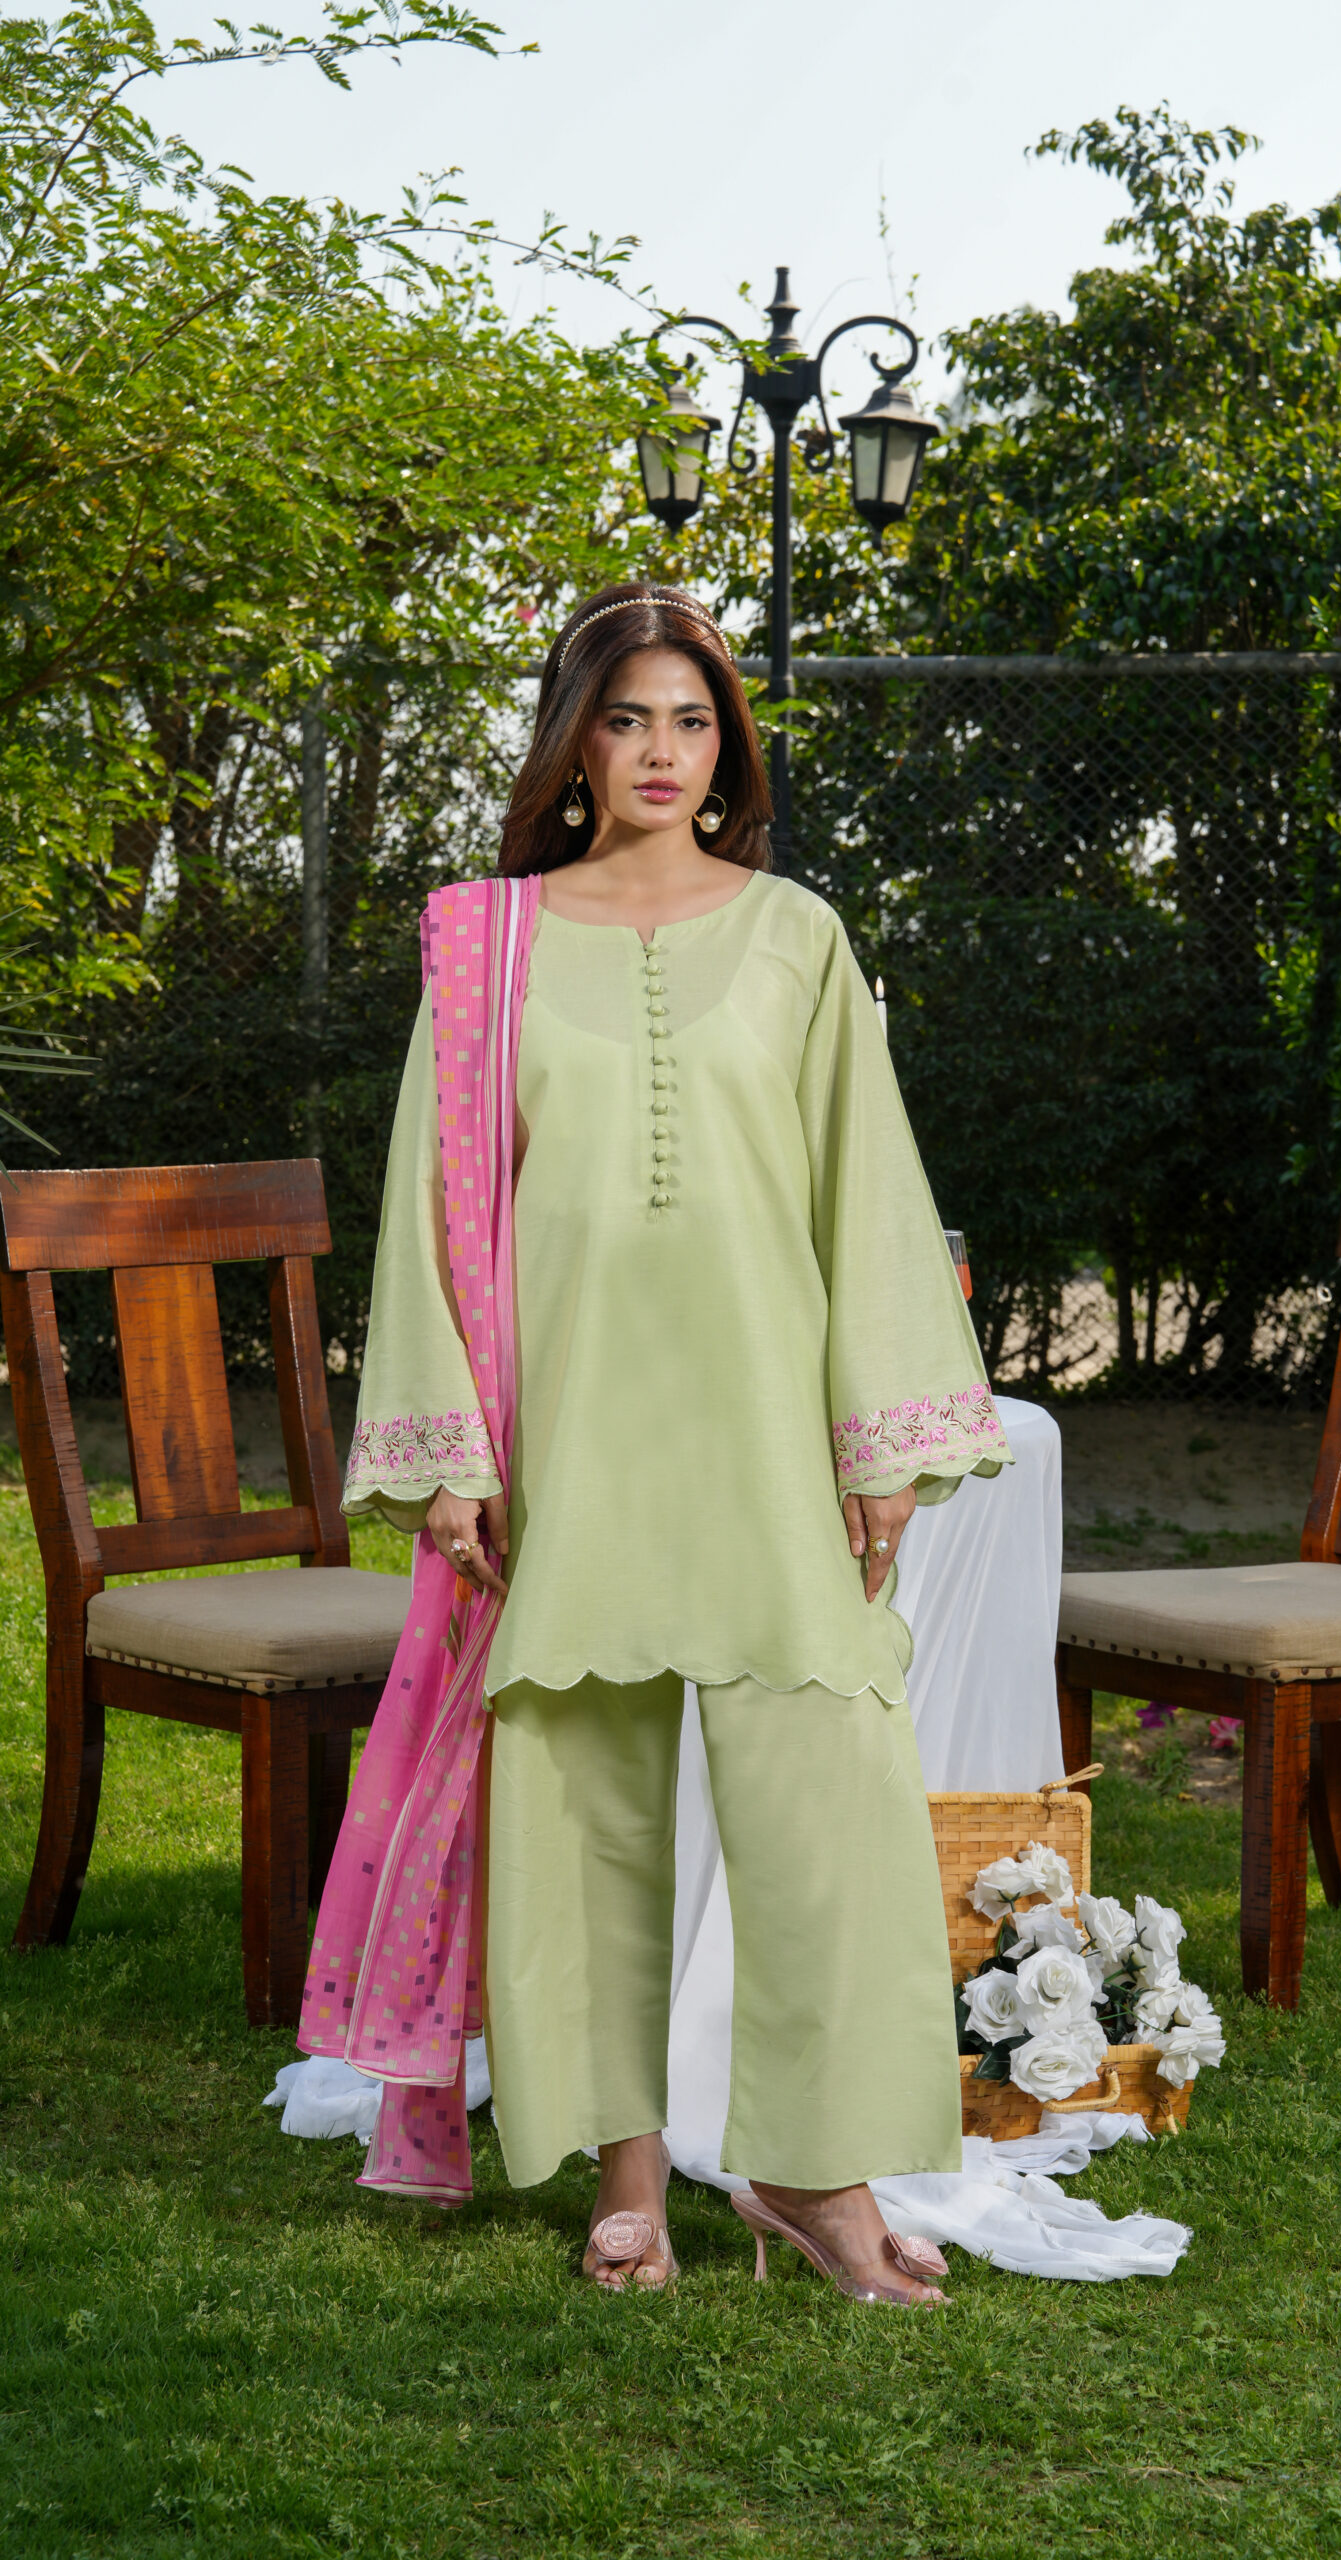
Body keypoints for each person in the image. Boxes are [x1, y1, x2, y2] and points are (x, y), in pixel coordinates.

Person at [325, 582, 1011, 2305]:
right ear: (574, 743)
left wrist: (879, 1443)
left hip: (764, 1417)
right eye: (625, 718)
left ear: (727, 748)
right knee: (583, 1804)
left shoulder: (794, 935)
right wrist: (454, 1447)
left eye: (690, 721)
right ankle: (623, 2177)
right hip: (567, 1423)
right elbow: (424, 1205)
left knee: (824, 1789)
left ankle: (813, 2171)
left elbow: (868, 1195)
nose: (658, 751)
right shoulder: (485, 947)